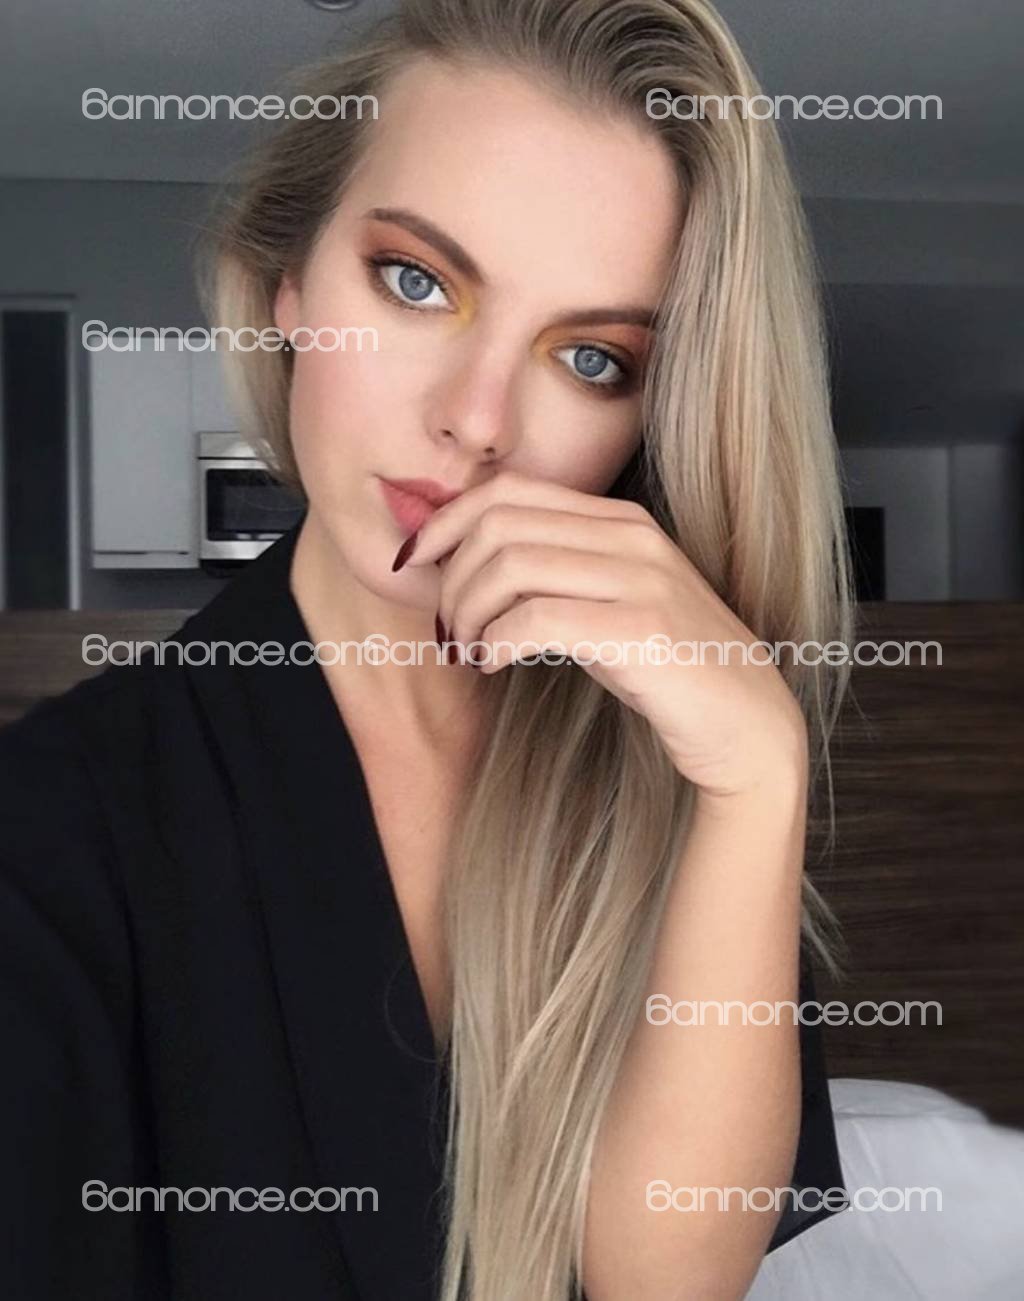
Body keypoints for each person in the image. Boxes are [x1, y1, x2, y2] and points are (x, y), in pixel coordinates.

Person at [0, 1, 854, 1298]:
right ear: (287, 288)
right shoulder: (53, 832)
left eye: (590, 357)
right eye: (417, 282)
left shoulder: (678, 763)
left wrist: (758, 775)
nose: (478, 420)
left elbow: (662, 1283)